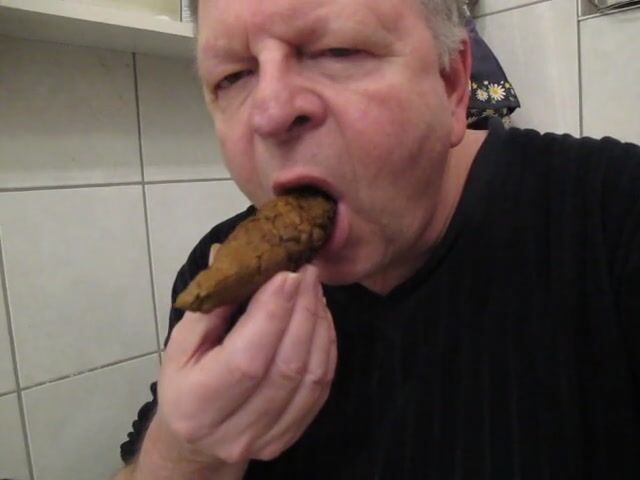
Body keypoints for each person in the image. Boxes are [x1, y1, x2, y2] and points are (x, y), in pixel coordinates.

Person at [115, 0, 640, 478]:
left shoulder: (616, 216)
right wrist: (183, 455)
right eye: (232, 77)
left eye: (336, 50)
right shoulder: (219, 277)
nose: (269, 113)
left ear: (451, 84)